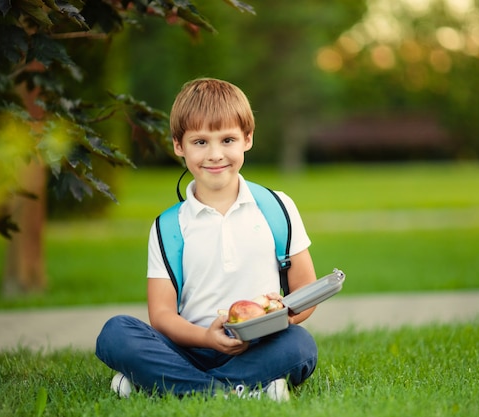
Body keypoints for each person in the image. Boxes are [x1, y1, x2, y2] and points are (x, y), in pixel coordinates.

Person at [95, 78, 319, 401]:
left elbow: (305, 293)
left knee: (300, 345)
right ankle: (240, 390)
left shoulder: (277, 207)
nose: (215, 155)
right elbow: (161, 316)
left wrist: (281, 312)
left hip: (258, 346)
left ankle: (166, 384)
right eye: (200, 142)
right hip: (191, 346)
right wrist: (207, 338)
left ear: (247, 139)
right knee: (116, 333)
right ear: (178, 145)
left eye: (227, 139)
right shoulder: (168, 226)